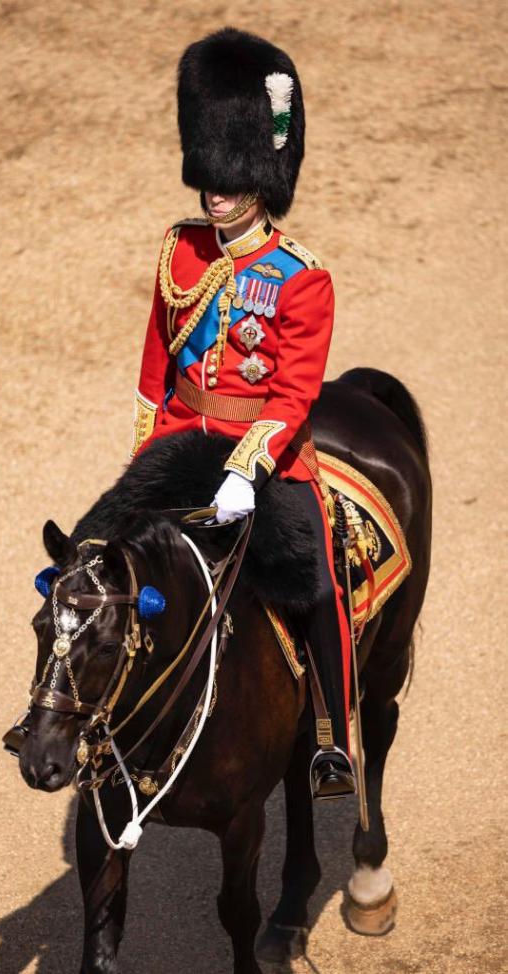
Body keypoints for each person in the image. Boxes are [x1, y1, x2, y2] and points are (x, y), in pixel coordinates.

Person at [130, 27, 354, 799]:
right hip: (181, 441)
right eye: (208, 174)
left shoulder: (302, 278)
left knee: (316, 583)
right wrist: (144, 460)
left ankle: (332, 737)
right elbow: (156, 365)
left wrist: (246, 470)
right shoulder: (179, 248)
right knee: (97, 557)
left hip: (266, 459)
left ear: (264, 172)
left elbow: (292, 396)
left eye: (231, 175)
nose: (214, 189)